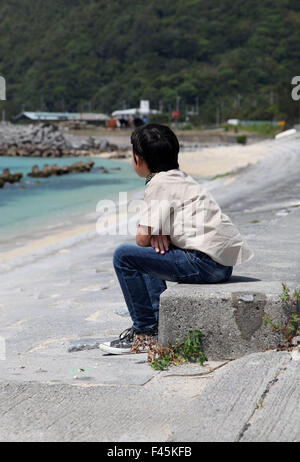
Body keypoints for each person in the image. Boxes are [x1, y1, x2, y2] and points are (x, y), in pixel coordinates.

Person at [99, 124, 253, 354]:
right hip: (222, 265)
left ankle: (145, 332)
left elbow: (142, 237)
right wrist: (158, 234)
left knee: (124, 256)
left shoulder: (158, 182)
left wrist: (153, 234)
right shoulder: (181, 178)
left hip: (204, 264)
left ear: (138, 159)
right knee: (148, 253)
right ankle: (157, 326)